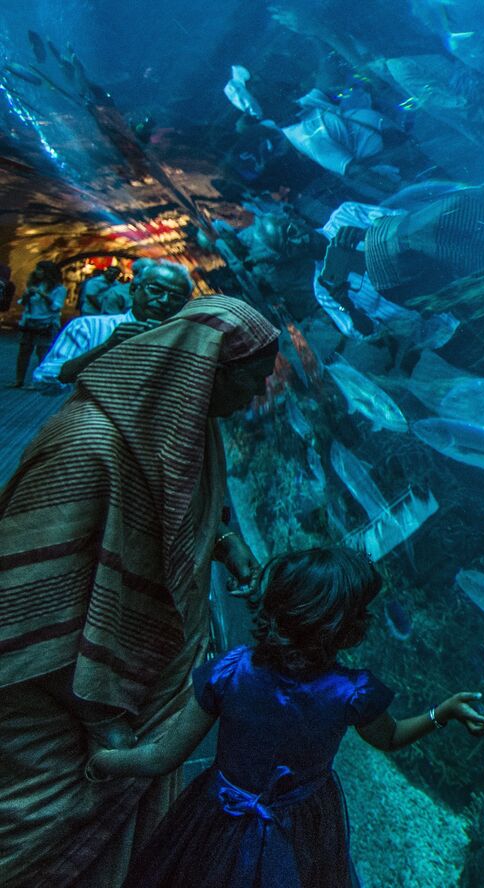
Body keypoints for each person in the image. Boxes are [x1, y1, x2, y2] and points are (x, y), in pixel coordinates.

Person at [0, 295, 276, 886]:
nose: (255, 397)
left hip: (134, 691)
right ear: (209, 371)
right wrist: (102, 714)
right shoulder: (86, 447)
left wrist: (223, 540)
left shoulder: (187, 431)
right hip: (59, 706)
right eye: (250, 380)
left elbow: (166, 522)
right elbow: (24, 601)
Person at [87, 547, 484, 887]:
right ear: (344, 628)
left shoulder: (230, 672)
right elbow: (390, 737)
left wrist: (102, 761)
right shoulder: (353, 692)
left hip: (218, 819)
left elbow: (162, 757)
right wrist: (443, 712)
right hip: (305, 825)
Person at [31, 261, 194, 387]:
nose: (164, 301)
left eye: (176, 297)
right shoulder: (88, 327)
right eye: (155, 290)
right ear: (133, 290)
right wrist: (107, 346)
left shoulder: (188, 340)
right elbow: (47, 380)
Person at [13, 260, 68, 388]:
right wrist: (28, 295)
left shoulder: (59, 289)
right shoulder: (34, 284)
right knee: (23, 352)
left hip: (46, 323)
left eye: (40, 269)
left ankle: (37, 381)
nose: (37, 272)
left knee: (42, 353)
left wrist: (42, 295)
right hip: (29, 321)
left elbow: (56, 307)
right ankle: (19, 380)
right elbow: (24, 303)